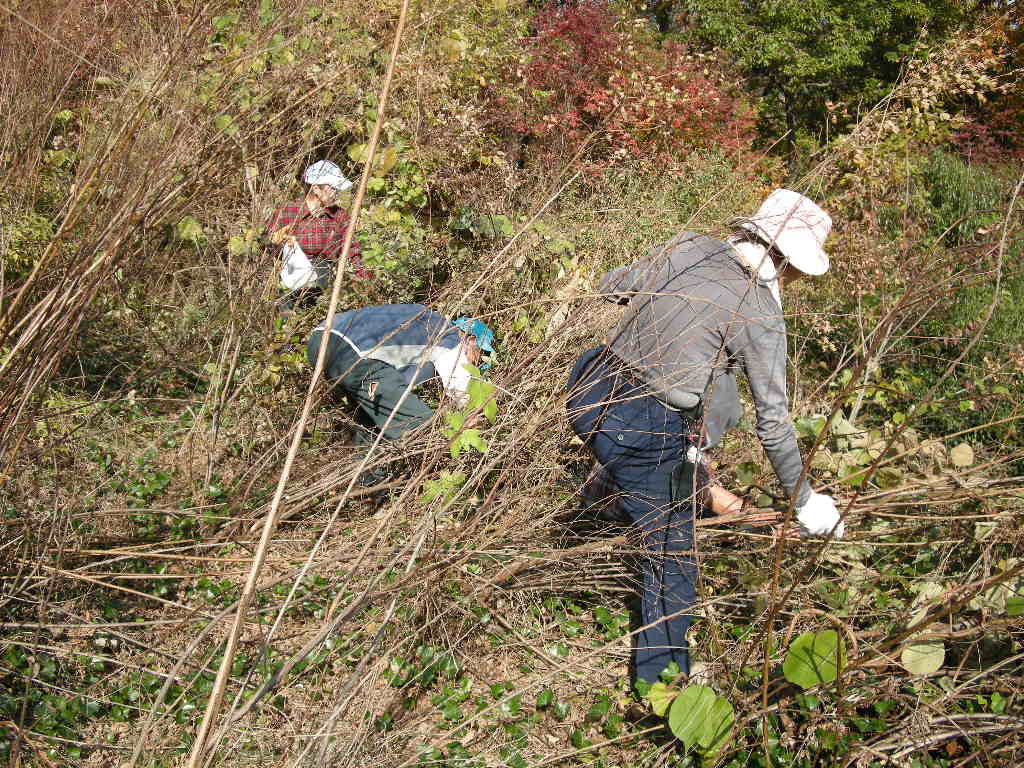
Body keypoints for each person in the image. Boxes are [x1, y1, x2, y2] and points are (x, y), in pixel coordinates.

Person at [565, 188, 845, 688]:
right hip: (640, 425)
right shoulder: (760, 314)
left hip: (588, 388)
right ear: (789, 264)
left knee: (700, 432)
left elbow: (611, 287)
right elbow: (775, 424)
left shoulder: (689, 245)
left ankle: (607, 491)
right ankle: (662, 688)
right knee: (674, 569)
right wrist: (805, 502)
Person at [307, 304, 495, 448]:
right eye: (481, 355)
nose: (477, 364)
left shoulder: (427, 319)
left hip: (321, 339)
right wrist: (475, 418)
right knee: (420, 423)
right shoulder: (451, 338)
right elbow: (462, 390)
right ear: (470, 340)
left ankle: (367, 492)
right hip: (355, 354)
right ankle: (379, 488)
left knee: (373, 424)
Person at [267, 160, 373, 310]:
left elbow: (351, 250)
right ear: (316, 188)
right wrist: (277, 241)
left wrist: (365, 280)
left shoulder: (340, 217)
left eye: (337, 188)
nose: (336, 192)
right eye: (333, 188)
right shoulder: (288, 212)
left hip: (324, 291)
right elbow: (264, 244)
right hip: (289, 290)